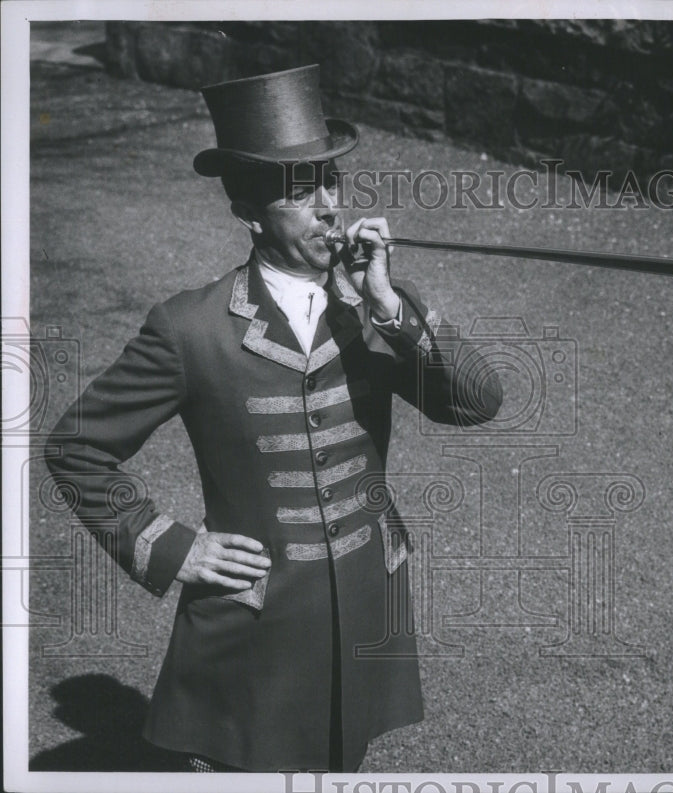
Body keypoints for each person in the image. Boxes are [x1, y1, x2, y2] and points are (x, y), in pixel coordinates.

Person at [45, 64, 503, 773]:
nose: (328, 206)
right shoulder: (188, 328)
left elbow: (479, 399)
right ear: (249, 209)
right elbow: (75, 446)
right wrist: (172, 547)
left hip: (359, 604)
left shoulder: (375, 308)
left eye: (330, 181)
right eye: (299, 189)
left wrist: (389, 304)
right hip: (254, 626)